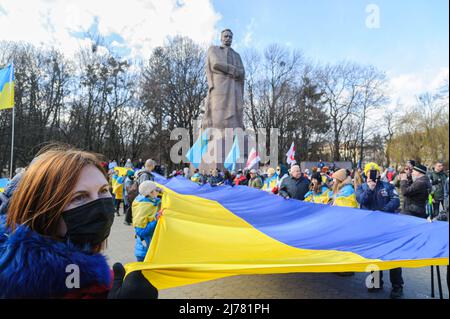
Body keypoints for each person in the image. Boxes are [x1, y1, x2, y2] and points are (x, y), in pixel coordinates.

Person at [0, 146, 157, 298]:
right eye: (79, 197)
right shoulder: (22, 287)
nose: (100, 206)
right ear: (44, 211)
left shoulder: (88, 276)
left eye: (103, 190)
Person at [355, 162, 402, 298]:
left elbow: (396, 200)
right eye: (370, 171)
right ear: (365, 173)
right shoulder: (361, 187)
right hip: (370, 229)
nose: (372, 173)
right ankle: (375, 282)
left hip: (388, 227)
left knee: (394, 257)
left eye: (375, 170)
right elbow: (362, 200)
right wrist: (370, 189)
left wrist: (382, 212)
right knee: (374, 256)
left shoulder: (388, 185)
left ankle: (397, 286)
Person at [132, 181, 161, 262]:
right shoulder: (143, 206)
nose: (158, 191)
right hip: (144, 252)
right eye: (156, 190)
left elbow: (155, 201)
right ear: (151, 192)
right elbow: (140, 231)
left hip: (149, 249)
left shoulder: (149, 201)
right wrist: (156, 220)